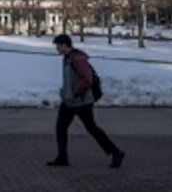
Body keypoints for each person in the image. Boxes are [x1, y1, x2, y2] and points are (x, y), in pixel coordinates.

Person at [47, 34, 125, 168]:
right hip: (69, 101)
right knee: (61, 127)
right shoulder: (67, 58)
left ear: (65, 45)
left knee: (92, 128)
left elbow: (87, 79)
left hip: (82, 101)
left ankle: (115, 152)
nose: (56, 49)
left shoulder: (77, 58)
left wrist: (77, 92)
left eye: (58, 46)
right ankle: (62, 157)